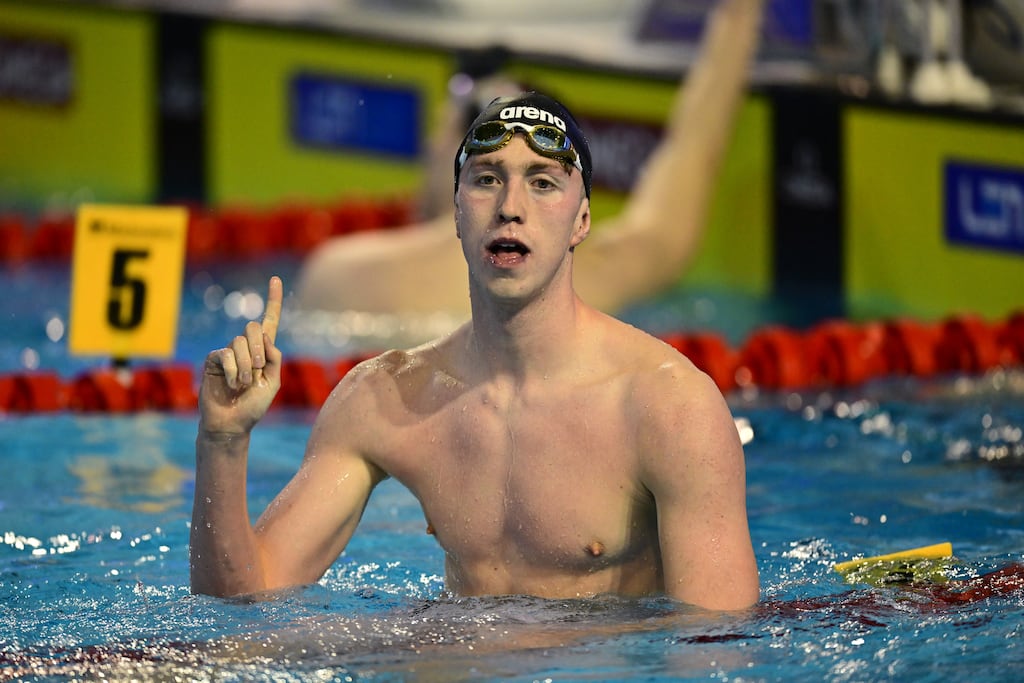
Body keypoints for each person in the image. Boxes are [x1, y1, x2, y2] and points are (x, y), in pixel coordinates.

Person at [190, 89, 760, 611]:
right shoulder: (386, 398)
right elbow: (240, 604)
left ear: (581, 220)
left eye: (542, 182)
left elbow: (712, 649)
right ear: (456, 213)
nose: (511, 206)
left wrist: (498, 651)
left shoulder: (669, 407)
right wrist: (223, 441)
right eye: (488, 178)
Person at [294, 0, 764, 319]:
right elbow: (694, 151)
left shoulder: (340, 274)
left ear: (455, 155)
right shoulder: (597, 270)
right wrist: (739, 16)